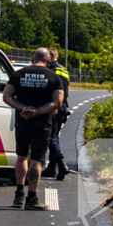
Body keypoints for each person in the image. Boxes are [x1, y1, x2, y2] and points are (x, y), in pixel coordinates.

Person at [3, 48, 65, 210]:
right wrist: (37, 111)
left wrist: (23, 108)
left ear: (33, 58)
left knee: (22, 156)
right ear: (49, 60)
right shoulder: (54, 77)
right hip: (42, 123)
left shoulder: (19, 74)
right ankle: (32, 198)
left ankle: (18, 195)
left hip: (22, 121)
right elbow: (57, 102)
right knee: (36, 160)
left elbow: (7, 96)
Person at [45, 48, 72, 180]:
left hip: (53, 106)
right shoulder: (64, 70)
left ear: (50, 57)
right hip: (62, 106)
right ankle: (51, 168)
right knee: (54, 136)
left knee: (51, 137)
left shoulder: (50, 70)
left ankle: (62, 165)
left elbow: (48, 89)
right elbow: (66, 92)